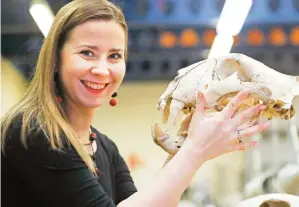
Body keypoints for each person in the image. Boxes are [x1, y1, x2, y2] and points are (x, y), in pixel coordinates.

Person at [1, 0, 270, 206]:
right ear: (56, 61)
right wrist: (195, 152)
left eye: (115, 56)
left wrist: (186, 148)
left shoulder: (104, 147)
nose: (102, 69)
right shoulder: (34, 132)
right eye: (87, 53)